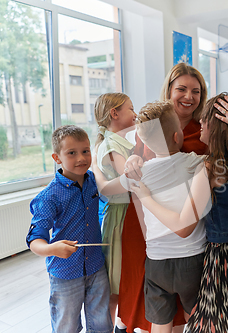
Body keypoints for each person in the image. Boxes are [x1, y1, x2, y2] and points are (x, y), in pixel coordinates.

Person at [116, 63, 228, 333]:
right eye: (181, 89)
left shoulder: (206, 129)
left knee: (191, 307)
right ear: (169, 90)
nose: (189, 96)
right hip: (150, 230)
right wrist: (133, 159)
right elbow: (133, 164)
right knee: (150, 297)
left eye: (196, 90)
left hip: (191, 237)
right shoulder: (148, 125)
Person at [97, 101, 208, 333]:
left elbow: (106, 189)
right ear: (178, 136)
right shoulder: (195, 162)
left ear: (144, 143)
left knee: (160, 321)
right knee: (195, 316)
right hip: (192, 260)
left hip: (156, 262)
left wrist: (97, 169)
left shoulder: (139, 173)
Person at [26, 125, 113, 333]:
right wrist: (52, 249)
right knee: (67, 326)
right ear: (57, 158)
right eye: (71, 153)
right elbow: (34, 241)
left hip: (96, 266)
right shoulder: (49, 196)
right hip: (65, 272)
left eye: (85, 151)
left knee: (102, 322)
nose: (81, 158)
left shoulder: (94, 181)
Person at [94, 93, 137, 332]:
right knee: (117, 282)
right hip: (122, 215)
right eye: (131, 108)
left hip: (125, 211)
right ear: (114, 113)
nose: (135, 113)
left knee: (122, 280)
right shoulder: (112, 144)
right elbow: (129, 178)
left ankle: (121, 324)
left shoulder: (117, 141)